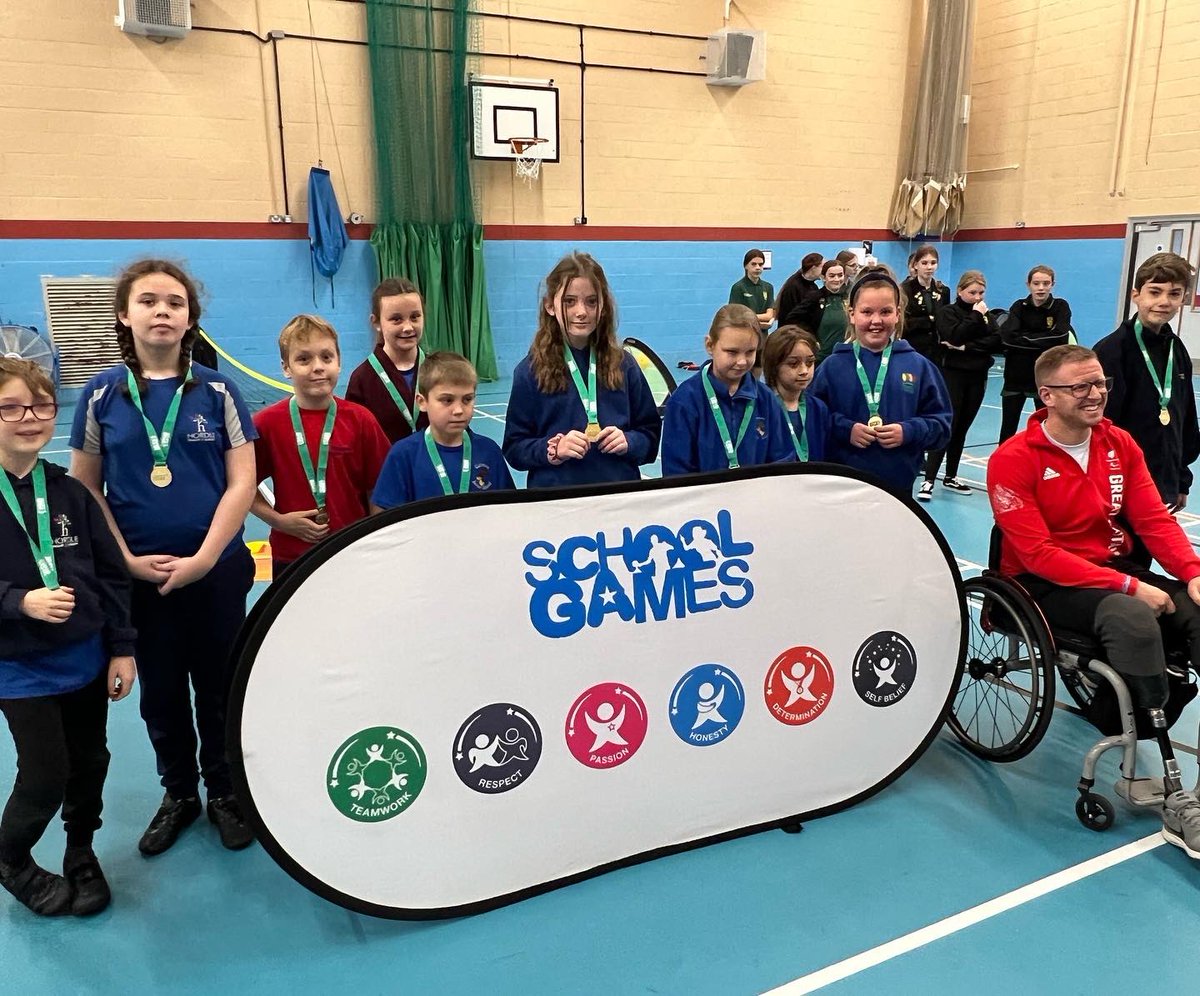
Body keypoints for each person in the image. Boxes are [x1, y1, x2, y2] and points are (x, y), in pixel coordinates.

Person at [69, 259, 258, 857]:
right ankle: (179, 793)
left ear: (189, 319)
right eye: (148, 301)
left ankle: (227, 791)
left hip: (215, 572)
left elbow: (241, 481)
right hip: (139, 580)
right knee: (162, 693)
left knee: (221, 684)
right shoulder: (100, 395)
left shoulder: (220, 391)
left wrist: (204, 558)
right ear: (124, 314)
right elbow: (86, 488)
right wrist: (123, 559)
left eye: (174, 303)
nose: (162, 312)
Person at [987, 343, 1200, 859]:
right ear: (1047, 396)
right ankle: (1173, 795)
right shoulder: (1012, 460)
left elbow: (1153, 519)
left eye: (1099, 383)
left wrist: (1193, 573)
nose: (1095, 394)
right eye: (1080, 387)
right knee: (1133, 620)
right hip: (1045, 583)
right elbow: (1037, 554)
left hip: (1110, 566)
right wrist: (1130, 586)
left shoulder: (1118, 443)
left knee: (1196, 611)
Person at [0, 359, 135, 917]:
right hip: (19, 667)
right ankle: (11, 858)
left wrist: (122, 646)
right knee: (44, 773)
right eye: (10, 407)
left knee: (90, 761)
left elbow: (111, 571)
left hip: (84, 659)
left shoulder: (70, 493)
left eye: (41, 406)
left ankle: (81, 850)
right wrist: (19, 601)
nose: (29, 418)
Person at [503, 252, 660, 488]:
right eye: (569, 301)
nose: (581, 311)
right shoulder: (529, 371)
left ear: (603, 306)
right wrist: (553, 449)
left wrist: (630, 441)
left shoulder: (625, 365)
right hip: (558, 504)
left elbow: (650, 436)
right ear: (549, 306)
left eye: (591, 301)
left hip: (619, 499)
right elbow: (514, 448)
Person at [251, 315, 390, 577]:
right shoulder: (266, 424)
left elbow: (378, 490)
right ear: (286, 367)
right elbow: (242, 485)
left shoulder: (361, 420)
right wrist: (279, 521)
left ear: (339, 363)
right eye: (304, 359)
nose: (318, 367)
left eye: (326, 357)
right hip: (291, 556)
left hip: (352, 552)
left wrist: (372, 543)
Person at [810, 268, 951, 494]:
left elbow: (942, 426)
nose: (876, 321)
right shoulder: (831, 367)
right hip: (839, 487)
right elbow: (813, 420)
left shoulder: (919, 367)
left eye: (885, 312)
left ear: (898, 313)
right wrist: (845, 429)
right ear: (852, 314)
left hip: (898, 492)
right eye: (867, 312)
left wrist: (909, 431)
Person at [1094, 252, 1199, 511]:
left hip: (1163, 480)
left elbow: (1184, 417)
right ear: (1136, 294)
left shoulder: (1177, 349)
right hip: (1121, 483)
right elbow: (1100, 426)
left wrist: (1181, 481)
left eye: (1174, 294)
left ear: (1183, 298)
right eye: (1155, 292)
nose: (1164, 302)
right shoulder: (1111, 351)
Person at [661, 304, 795, 475]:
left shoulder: (766, 399)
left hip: (756, 499)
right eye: (732, 352)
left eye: (750, 352)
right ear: (710, 345)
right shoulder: (684, 401)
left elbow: (782, 460)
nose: (741, 361)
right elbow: (676, 473)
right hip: (703, 500)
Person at [372, 352, 514, 510]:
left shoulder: (489, 451)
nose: (459, 410)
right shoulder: (403, 454)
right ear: (422, 402)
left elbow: (507, 509)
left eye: (467, 399)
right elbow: (385, 517)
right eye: (447, 400)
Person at [919, 270, 1000, 500]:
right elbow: (953, 336)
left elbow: (996, 340)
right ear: (960, 291)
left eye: (981, 293)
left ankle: (951, 475)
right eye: (972, 292)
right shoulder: (949, 312)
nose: (977, 297)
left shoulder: (987, 315)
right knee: (949, 424)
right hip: (953, 375)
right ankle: (929, 479)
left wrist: (967, 347)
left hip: (977, 375)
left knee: (963, 427)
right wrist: (974, 318)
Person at [346, 277, 428, 445]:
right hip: (385, 470)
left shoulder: (439, 369)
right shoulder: (362, 379)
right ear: (376, 322)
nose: (408, 327)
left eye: (415, 317)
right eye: (396, 319)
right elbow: (354, 440)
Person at [997, 265, 1072, 444]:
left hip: (1045, 377)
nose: (1041, 288)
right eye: (1036, 283)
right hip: (1016, 375)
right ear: (1028, 284)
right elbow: (1007, 338)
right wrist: (1043, 341)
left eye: (1046, 283)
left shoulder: (1060, 307)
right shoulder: (1018, 306)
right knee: (1008, 428)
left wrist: (1023, 339)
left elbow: (1061, 336)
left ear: (1052, 284)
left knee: (1046, 427)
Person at [762, 325, 829, 462]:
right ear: (774, 366)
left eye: (810, 362)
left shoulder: (819, 409)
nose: (804, 370)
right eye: (793, 364)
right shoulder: (762, 408)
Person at [728, 248, 775, 377]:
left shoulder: (768, 287)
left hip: (762, 337)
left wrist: (750, 316)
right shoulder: (738, 287)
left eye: (760, 264)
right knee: (743, 371)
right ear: (746, 266)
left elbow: (770, 315)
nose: (758, 268)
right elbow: (736, 315)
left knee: (758, 371)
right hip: (744, 337)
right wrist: (759, 318)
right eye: (753, 264)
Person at [899, 244, 950, 361]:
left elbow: (945, 319)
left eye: (933, 263)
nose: (929, 267)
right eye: (924, 263)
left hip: (935, 350)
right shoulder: (905, 289)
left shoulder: (943, 290)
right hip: (912, 347)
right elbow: (903, 322)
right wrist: (929, 320)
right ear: (916, 265)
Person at [793, 259, 849, 363]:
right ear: (823, 277)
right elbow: (793, 318)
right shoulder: (814, 297)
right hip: (820, 358)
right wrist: (810, 339)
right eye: (832, 276)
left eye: (840, 275)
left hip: (843, 356)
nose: (836, 279)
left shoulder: (847, 297)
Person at [774, 252, 824, 330]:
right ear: (813, 268)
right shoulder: (793, 286)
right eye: (822, 267)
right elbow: (790, 317)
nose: (824, 270)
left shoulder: (813, 286)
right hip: (792, 334)